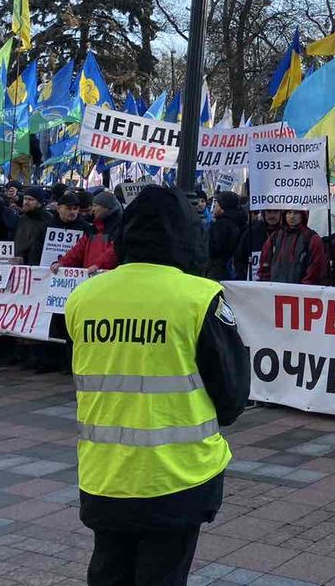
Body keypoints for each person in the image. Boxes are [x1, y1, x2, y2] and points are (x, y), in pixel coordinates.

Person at [65, 185, 249, 586]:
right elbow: (232, 394)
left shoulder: (84, 297)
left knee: (108, 571)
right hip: (176, 476)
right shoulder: (199, 298)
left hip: (104, 474)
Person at [52, 192, 122, 274]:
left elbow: (114, 251)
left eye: (95, 206)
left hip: (107, 278)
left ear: (106, 208)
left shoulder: (119, 229)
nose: (93, 210)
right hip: (91, 276)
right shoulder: (93, 229)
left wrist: (98, 265)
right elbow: (77, 250)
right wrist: (62, 262)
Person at [258, 210, 327, 285]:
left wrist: (305, 289)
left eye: (296, 213)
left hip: (300, 292)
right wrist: (266, 284)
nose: (292, 216)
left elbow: (314, 269)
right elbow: (264, 264)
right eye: (289, 212)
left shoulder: (312, 239)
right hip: (274, 290)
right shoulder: (275, 236)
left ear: (303, 215)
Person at [205, 192, 247, 281]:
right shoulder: (238, 221)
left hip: (218, 270)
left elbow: (214, 249)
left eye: (216, 204)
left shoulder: (221, 225)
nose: (214, 207)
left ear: (222, 207)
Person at [234, 209, 281, 280]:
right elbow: (239, 257)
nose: (272, 215)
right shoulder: (251, 233)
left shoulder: (287, 235)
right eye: (269, 212)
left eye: (275, 212)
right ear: (263, 213)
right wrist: (245, 272)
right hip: (254, 282)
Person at [13, 186, 54, 265]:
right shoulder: (21, 219)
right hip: (19, 266)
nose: (26, 202)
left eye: (30, 199)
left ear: (40, 202)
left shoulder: (49, 220)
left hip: (39, 267)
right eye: (25, 198)